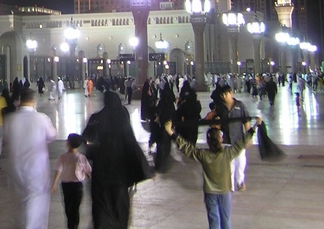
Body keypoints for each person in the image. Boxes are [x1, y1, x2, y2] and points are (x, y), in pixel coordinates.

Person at [165, 117, 263, 229]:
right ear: (221, 140)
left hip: (210, 193)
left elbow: (186, 147)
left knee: (213, 221)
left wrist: (171, 132)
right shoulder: (228, 153)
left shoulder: (203, 155)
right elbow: (242, 142)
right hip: (225, 192)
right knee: (226, 221)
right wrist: (255, 126)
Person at [82, 90, 154, 229]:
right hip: (120, 175)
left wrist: (92, 150)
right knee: (120, 207)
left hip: (101, 173)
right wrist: (145, 169)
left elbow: (86, 138)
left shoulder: (96, 118)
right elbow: (131, 144)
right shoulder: (122, 119)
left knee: (101, 206)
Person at [2, 88, 57, 229]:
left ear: (20, 101)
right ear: (33, 101)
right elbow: (52, 135)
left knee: (18, 204)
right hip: (36, 169)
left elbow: (6, 138)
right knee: (36, 204)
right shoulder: (41, 118)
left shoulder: (9, 119)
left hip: (15, 168)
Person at [51, 133, 92, 229]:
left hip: (66, 186)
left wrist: (54, 184)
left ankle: (71, 225)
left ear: (68, 143)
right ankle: (74, 225)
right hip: (77, 186)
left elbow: (58, 170)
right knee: (75, 207)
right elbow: (88, 171)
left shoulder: (63, 157)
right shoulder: (81, 158)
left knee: (68, 206)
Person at [216, 85, 251, 191]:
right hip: (226, 140)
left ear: (231, 93)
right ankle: (230, 185)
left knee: (241, 163)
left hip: (239, 140)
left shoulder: (240, 106)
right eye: (222, 95)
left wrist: (249, 137)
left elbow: (246, 122)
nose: (224, 96)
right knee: (229, 165)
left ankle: (240, 182)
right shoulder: (220, 107)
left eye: (225, 94)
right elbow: (216, 123)